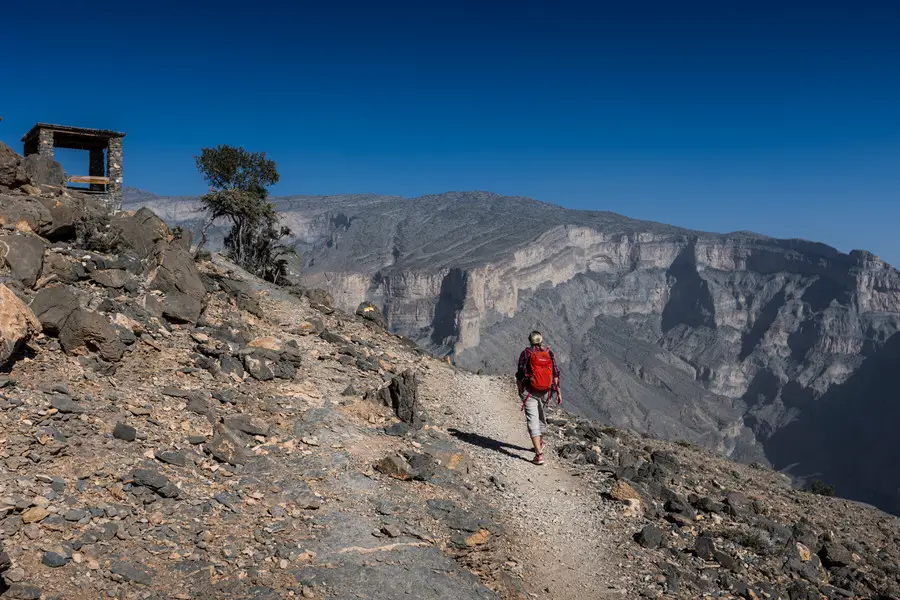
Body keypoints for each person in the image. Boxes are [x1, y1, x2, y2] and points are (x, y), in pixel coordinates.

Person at [515, 330, 561, 465]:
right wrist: (558, 392)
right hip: (546, 391)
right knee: (541, 418)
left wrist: (520, 389)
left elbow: (520, 374)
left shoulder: (526, 353)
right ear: (541, 340)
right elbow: (556, 373)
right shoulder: (548, 352)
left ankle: (539, 455)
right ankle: (539, 442)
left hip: (529, 391)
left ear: (530, 340)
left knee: (532, 420)